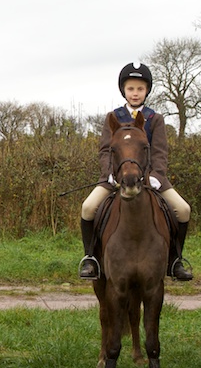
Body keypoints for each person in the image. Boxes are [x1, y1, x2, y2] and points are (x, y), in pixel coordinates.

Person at [78, 62, 193, 281]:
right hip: (116, 178)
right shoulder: (114, 117)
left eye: (140, 89)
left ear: (147, 90)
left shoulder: (154, 119)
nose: (135, 93)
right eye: (131, 89)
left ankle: (175, 260)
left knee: (183, 210)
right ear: (124, 90)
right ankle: (91, 258)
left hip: (150, 179)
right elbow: (104, 150)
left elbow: (160, 152)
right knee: (88, 208)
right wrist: (110, 173)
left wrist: (157, 176)